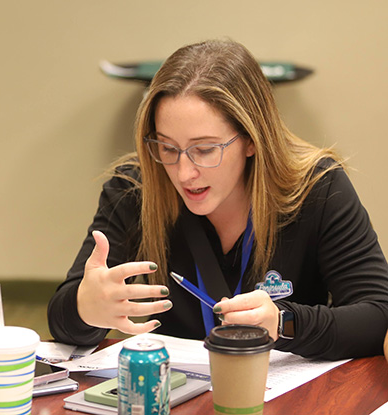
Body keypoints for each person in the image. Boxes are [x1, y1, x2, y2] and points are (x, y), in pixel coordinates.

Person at [48, 39, 388, 360]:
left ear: (253, 140)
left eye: (205, 149)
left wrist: (284, 323)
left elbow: (378, 314)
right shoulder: (134, 190)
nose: (183, 173)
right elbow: (61, 321)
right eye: (167, 147)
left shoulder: (318, 188)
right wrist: (84, 307)